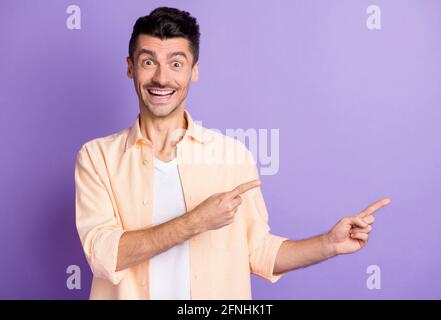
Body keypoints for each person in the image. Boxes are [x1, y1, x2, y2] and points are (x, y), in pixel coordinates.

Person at [74, 6, 391, 300]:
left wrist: (328, 244)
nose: (161, 77)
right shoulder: (97, 158)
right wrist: (195, 221)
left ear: (194, 71)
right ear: (131, 67)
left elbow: (258, 252)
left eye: (176, 63)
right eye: (148, 61)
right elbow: (104, 255)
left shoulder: (232, 157)